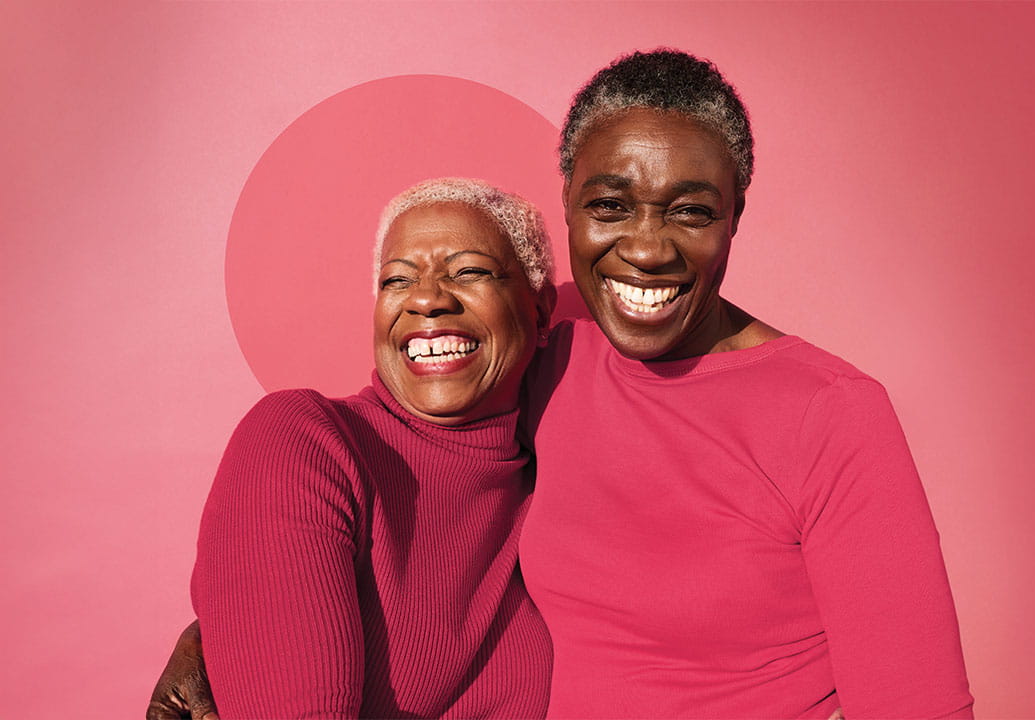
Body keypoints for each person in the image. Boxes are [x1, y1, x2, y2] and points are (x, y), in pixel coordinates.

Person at [150, 50, 972, 719]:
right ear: (571, 212)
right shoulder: (555, 341)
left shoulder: (831, 414)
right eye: (610, 207)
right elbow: (403, 441)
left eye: (690, 212)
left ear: (735, 216)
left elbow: (918, 703)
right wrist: (234, 617)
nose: (646, 252)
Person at [152, 178, 556, 719]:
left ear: (542, 311)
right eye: (397, 280)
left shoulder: (556, 482)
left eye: (469, 271)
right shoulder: (304, 442)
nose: (427, 298)